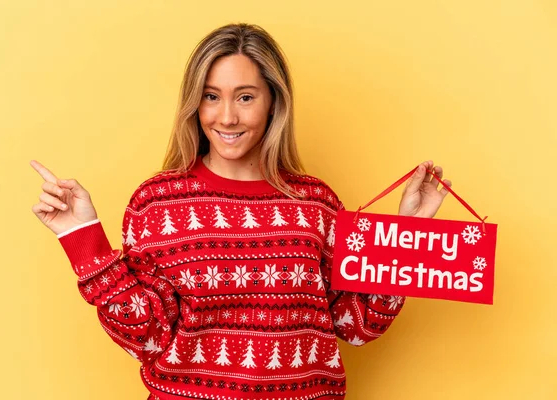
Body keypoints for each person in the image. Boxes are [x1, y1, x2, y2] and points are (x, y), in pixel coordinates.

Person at [31, 23, 451, 400]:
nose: (227, 117)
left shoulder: (317, 205)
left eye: (245, 97)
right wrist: (81, 236)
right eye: (211, 97)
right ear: (195, 105)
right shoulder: (157, 203)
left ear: (274, 103)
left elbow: (356, 326)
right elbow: (147, 337)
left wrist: (407, 234)